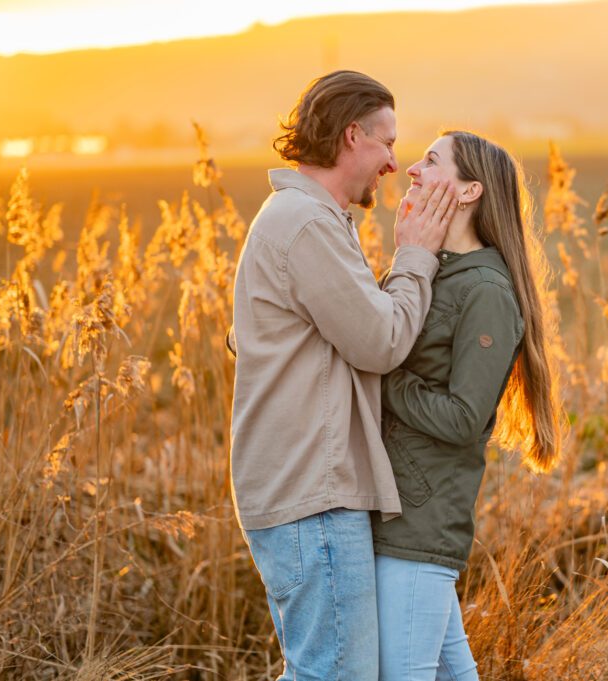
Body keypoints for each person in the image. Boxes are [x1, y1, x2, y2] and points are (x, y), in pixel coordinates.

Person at [229, 70, 457, 680]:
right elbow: (381, 342)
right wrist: (416, 254)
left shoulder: (302, 219)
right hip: (313, 490)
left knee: (318, 671)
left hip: (302, 487)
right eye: (386, 143)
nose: (393, 164)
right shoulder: (305, 224)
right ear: (352, 135)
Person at [372, 131, 564, 681]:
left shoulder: (485, 289)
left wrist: (379, 378)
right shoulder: (439, 270)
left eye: (431, 161)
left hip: (419, 525)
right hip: (403, 517)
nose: (411, 169)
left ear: (469, 190)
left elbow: (462, 418)